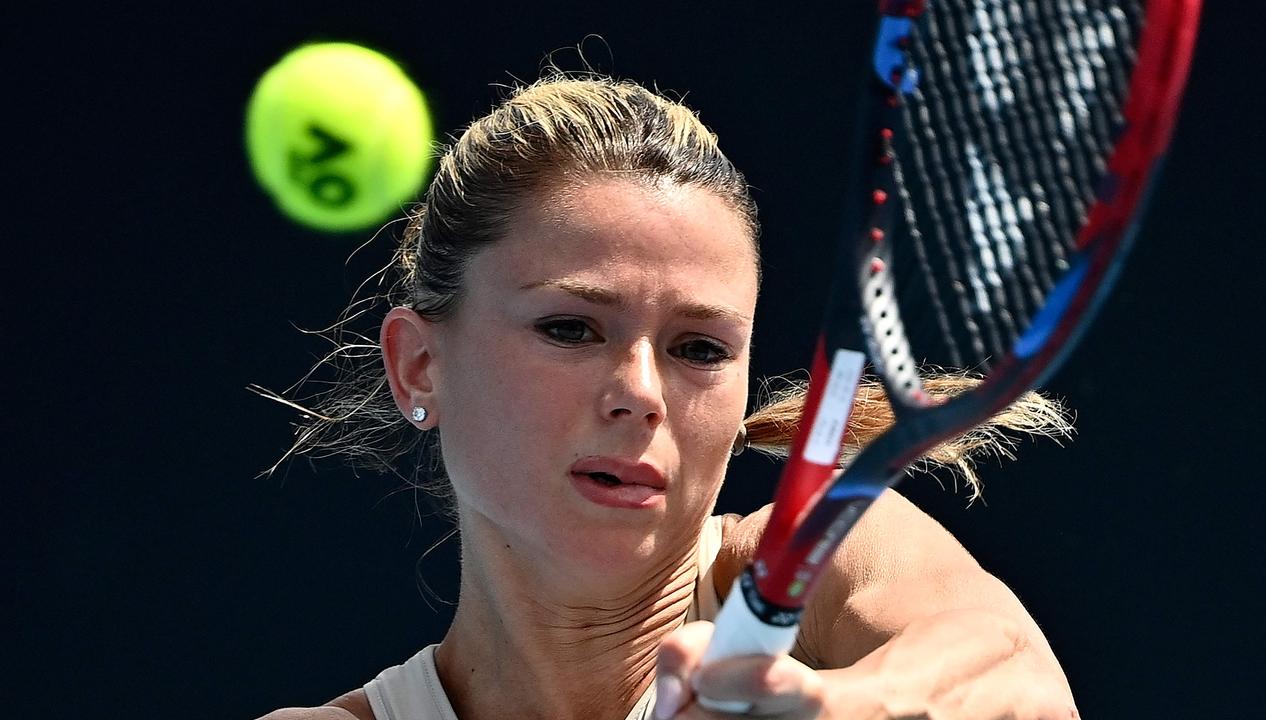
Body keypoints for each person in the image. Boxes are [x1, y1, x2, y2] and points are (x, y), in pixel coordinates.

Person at [256, 75, 1078, 720]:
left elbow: (1012, 674)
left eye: (699, 349)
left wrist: (826, 709)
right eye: (572, 329)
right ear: (420, 365)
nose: (641, 394)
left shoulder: (819, 564)